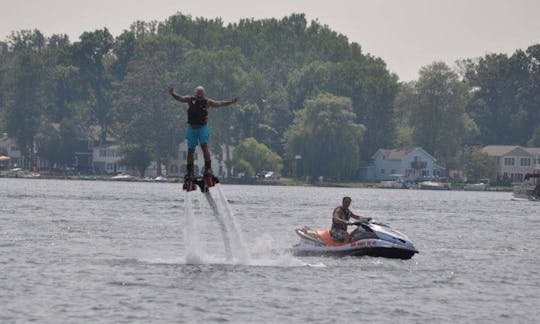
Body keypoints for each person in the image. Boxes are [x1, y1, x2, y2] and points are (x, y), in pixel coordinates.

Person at [167, 85, 239, 181]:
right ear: (195, 93)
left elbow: (220, 103)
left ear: (204, 94)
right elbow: (180, 98)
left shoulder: (207, 102)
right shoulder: (190, 99)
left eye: (201, 93)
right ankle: (190, 171)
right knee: (190, 150)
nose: (200, 95)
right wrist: (172, 93)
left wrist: (231, 102)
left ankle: (208, 169)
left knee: (204, 146)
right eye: (198, 93)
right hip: (192, 128)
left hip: (202, 128)